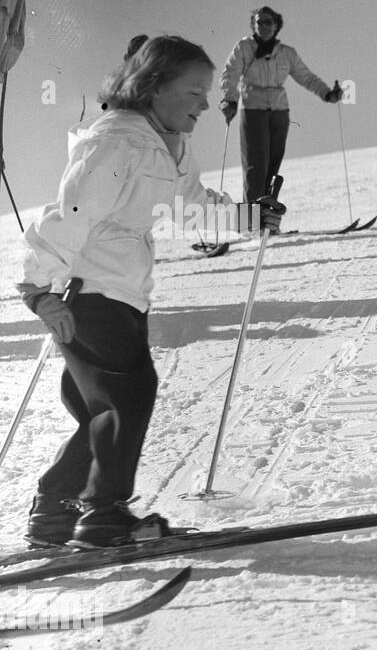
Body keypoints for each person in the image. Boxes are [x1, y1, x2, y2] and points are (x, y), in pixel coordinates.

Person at [16, 35, 284, 548]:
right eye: (193, 92)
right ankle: (103, 519)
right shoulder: (117, 142)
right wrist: (37, 288)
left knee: (101, 413)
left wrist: (249, 216)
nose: (205, 103)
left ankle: (55, 514)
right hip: (89, 296)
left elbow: (189, 209)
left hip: (119, 296)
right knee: (127, 397)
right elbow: (72, 214)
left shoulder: (164, 147)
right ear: (154, 86)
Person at [218, 5, 343, 205]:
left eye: (269, 22)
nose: (264, 26)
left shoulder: (287, 53)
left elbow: (306, 77)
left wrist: (327, 94)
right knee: (255, 164)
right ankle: (251, 217)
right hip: (253, 109)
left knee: (273, 164)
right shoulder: (243, 47)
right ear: (253, 25)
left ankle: (268, 217)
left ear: (276, 26)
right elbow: (230, 73)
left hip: (279, 111)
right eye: (259, 22)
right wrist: (228, 99)